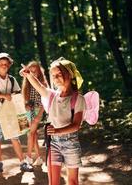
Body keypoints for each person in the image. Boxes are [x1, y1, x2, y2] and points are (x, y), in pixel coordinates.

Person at [20, 57, 86, 185]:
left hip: (71, 144)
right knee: (53, 182)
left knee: (72, 181)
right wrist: (28, 75)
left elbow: (76, 125)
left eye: (59, 74)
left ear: (70, 74)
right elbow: (39, 86)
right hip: (54, 144)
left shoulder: (78, 99)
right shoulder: (51, 96)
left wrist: (57, 130)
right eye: (53, 76)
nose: (56, 79)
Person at [0, 52, 33, 173]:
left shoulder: (12, 80)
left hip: (9, 113)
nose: (4, 66)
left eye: (6, 64)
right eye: (1, 63)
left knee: (14, 137)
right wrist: (3, 95)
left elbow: (17, 95)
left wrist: (24, 105)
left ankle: (22, 162)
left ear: (9, 65)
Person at [21, 61, 48, 166]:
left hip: (37, 111)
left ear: (39, 73)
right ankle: (39, 158)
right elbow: (25, 100)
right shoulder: (26, 83)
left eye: (35, 72)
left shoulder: (43, 84)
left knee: (31, 133)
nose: (32, 74)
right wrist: (26, 105)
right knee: (32, 134)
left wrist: (39, 116)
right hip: (26, 111)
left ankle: (28, 157)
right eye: (30, 72)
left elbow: (44, 102)